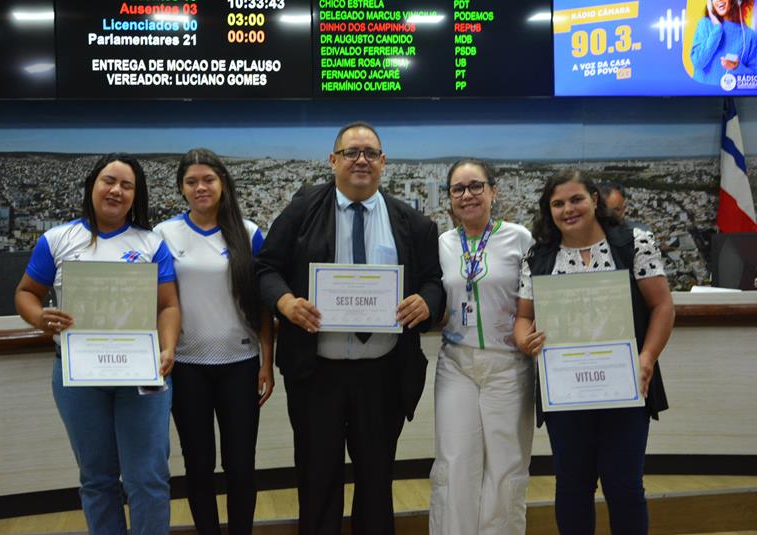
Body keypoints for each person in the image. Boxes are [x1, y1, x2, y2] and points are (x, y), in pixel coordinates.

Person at [255, 121, 444, 535]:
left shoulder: (413, 222)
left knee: (377, 484)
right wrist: (286, 303)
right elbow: (266, 269)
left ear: (383, 162)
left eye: (371, 153)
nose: (362, 160)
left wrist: (426, 301)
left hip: (382, 376)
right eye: (352, 152)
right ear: (333, 160)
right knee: (317, 480)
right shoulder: (302, 210)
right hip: (315, 374)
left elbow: (434, 282)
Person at [14, 153, 180, 535]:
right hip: (78, 374)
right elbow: (26, 292)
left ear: (135, 195)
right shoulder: (56, 239)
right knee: (97, 477)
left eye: (126, 185)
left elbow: (168, 305)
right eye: (109, 181)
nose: (116, 190)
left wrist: (168, 347)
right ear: (92, 185)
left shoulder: (151, 243)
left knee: (147, 477)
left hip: (142, 371)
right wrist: (39, 317)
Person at [513, 171, 675, 535]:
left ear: (594, 200)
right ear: (549, 210)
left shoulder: (633, 243)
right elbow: (523, 318)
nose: (568, 209)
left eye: (576, 199)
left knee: (625, 488)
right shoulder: (538, 256)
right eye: (558, 203)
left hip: (626, 386)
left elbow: (663, 307)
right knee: (572, 488)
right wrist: (526, 341)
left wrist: (646, 358)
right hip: (566, 393)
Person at [154, 148, 274, 535]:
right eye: (191, 182)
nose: (200, 187)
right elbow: (158, 302)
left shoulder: (249, 231)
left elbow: (262, 306)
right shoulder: (165, 234)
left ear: (223, 184)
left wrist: (267, 362)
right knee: (198, 465)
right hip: (186, 366)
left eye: (208, 179)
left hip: (240, 364)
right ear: (181, 189)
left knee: (241, 465)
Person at [429, 159, 535, 534]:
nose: (467, 195)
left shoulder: (519, 238)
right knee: (454, 464)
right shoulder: (441, 243)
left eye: (476, 186)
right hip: (456, 364)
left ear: (493, 190)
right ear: (450, 199)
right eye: (458, 189)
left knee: (506, 468)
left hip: (509, 364)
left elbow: (535, 301)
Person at [691, 0, 757, 84]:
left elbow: (754, 79)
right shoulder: (704, 24)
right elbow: (698, 62)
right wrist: (717, 28)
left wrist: (737, 68)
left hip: (734, 96)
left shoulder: (749, 35)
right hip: (701, 95)